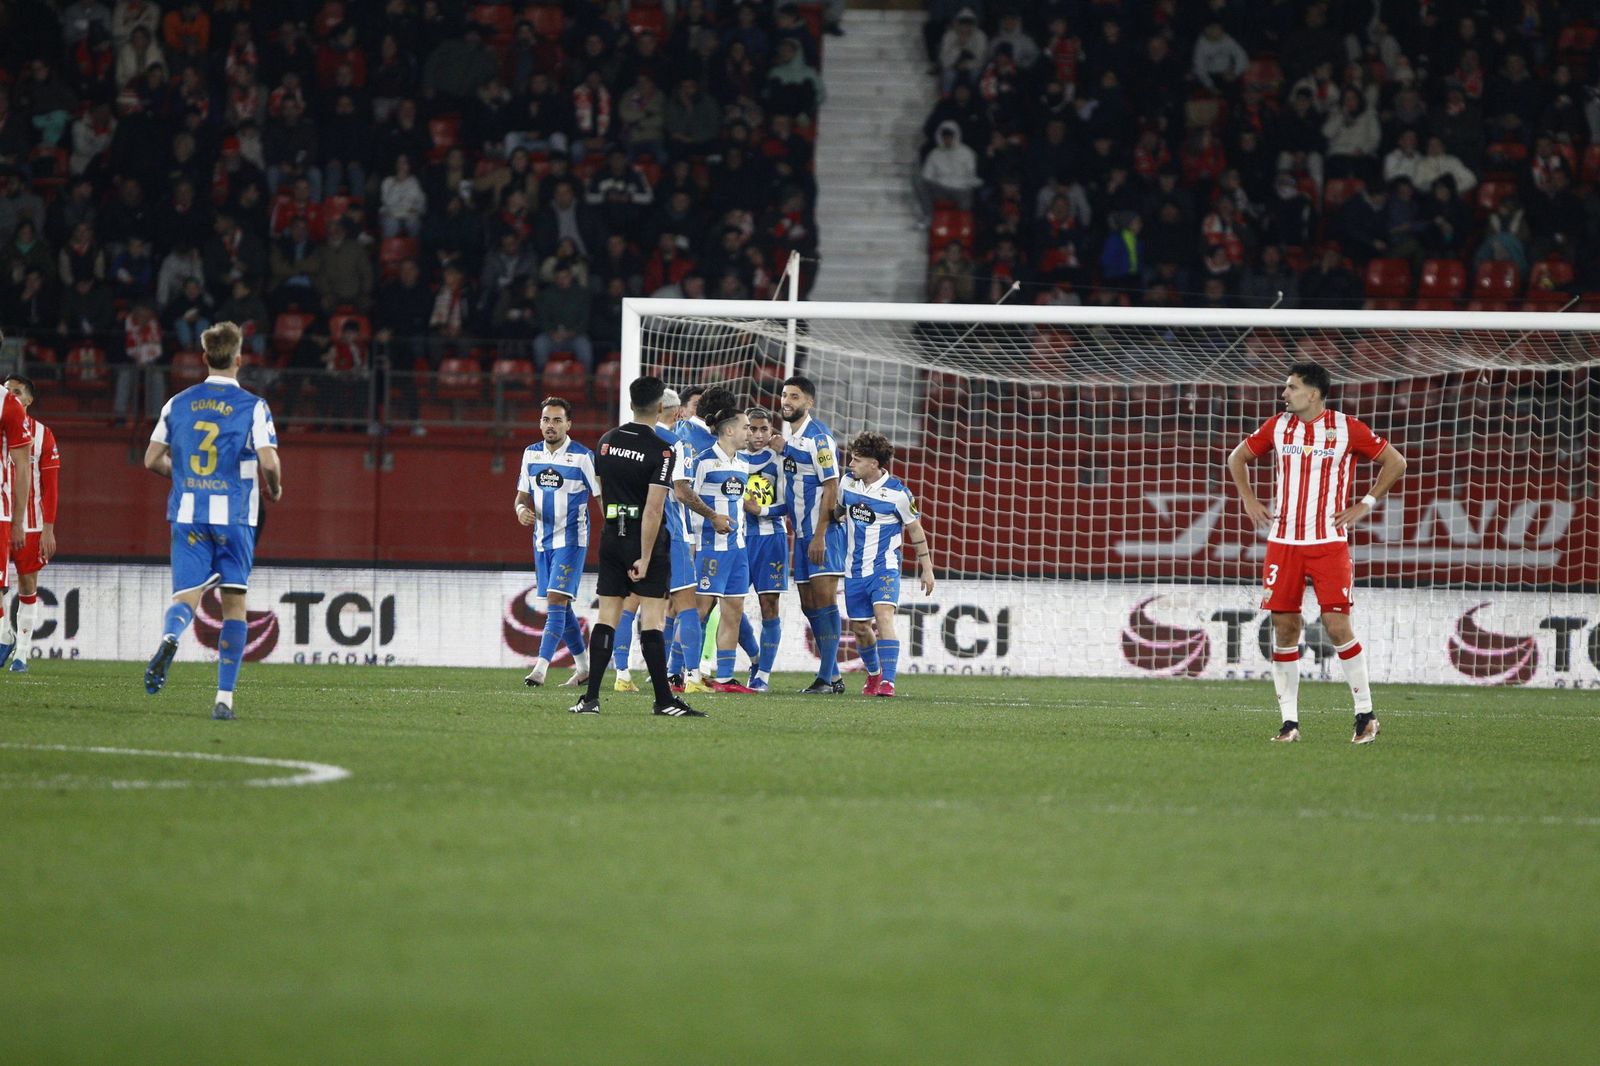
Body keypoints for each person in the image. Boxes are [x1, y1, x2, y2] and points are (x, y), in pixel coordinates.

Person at [1226, 361, 1407, 745]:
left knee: (1337, 625)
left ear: (1313, 393)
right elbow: (1236, 457)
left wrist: (1367, 503)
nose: (1284, 394)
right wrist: (1248, 499)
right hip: (1284, 544)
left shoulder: (1347, 428)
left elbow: (1396, 461)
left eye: (1291, 388)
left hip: (1328, 543)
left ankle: (1366, 716)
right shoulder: (1278, 426)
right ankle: (1289, 724)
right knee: (1285, 627)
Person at [141, 321, 283, 720]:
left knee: (185, 596)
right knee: (234, 603)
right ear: (239, 358)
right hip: (235, 516)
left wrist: (186, 476)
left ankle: (171, 636)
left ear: (204, 358)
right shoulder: (253, 406)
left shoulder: (177, 403)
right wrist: (275, 486)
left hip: (187, 513)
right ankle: (224, 699)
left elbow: (151, 458)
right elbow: (269, 461)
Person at [567, 376, 703, 717]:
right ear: (660, 407)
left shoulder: (605, 442)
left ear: (630, 403)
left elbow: (602, 493)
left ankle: (591, 698)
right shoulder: (662, 449)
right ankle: (664, 700)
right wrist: (644, 555)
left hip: (613, 538)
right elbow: (655, 508)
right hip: (648, 545)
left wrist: (617, 533)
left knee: (607, 618)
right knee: (652, 622)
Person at [838, 432, 936, 698]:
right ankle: (874, 675)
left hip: (885, 567)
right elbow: (837, 512)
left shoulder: (899, 494)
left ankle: (888, 682)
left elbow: (915, 530)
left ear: (874, 464)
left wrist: (926, 568)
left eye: (857, 460)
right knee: (860, 629)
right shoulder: (846, 484)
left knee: (883, 617)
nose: (850, 464)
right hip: (854, 569)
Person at [612, 389, 695, 694]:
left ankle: (622, 674)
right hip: (666, 530)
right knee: (685, 604)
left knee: (629, 604)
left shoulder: (619, 440)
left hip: (626, 528)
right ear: (673, 412)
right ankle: (692, 676)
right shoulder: (674, 443)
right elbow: (681, 492)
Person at [515, 397, 598, 689]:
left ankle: (539, 669)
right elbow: (521, 497)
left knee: (555, 602)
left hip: (572, 542)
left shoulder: (583, 457)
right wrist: (521, 511)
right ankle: (585, 668)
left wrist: (616, 534)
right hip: (542, 543)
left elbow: (601, 497)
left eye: (557, 420)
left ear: (569, 424)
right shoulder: (531, 455)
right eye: (546, 420)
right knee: (562, 607)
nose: (550, 426)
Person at [679, 388, 756, 693]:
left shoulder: (743, 465)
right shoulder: (703, 461)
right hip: (709, 547)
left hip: (737, 549)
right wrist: (694, 539)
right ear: (728, 430)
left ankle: (724, 677)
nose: (749, 432)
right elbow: (683, 496)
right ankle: (687, 673)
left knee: (734, 609)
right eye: (745, 427)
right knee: (698, 611)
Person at [780, 374, 846, 694]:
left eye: (794, 397)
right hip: (801, 535)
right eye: (784, 396)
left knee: (823, 599)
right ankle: (833, 674)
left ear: (809, 402)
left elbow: (831, 485)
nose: (786, 402)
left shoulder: (819, 438)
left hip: (823, 534)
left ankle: (825, 677)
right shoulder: (791, 439)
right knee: (808, 603)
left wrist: (820, 534)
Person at [0, 375, 60, 672]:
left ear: (29, 400)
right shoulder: (1, 427)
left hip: (31, 524)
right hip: (2, 516)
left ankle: (21, 654)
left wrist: (48, 527)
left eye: (17, 391)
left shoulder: (43, 435)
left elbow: (51, 484)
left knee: (27, 584)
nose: (10, 394)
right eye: (7, 390)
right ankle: (5, 636)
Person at [738, 407, 789, 692]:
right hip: (736, 540)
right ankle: (756, 657)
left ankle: (763, 676)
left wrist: (762, 509)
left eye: (763, 430)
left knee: (768, 605)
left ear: (772, 432)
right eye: (752, 429)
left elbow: (789, 504)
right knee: (730, 604)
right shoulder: (730, 456)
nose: (757, 435)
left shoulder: (779, 460)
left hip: (771, 540)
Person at [0, 381, 33, 670]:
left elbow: (22, 466)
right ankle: (3, 635)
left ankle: (9, 640)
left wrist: (19, 521)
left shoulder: (6, 403)